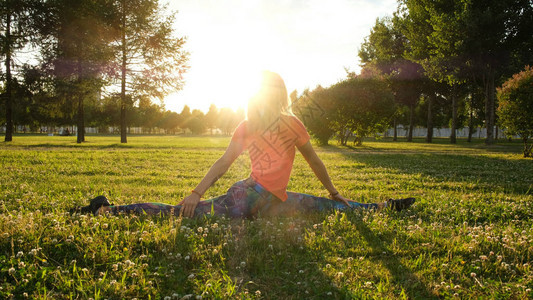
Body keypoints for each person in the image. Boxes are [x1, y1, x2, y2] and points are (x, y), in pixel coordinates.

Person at [87, 71, 414, 218]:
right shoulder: (250, 127)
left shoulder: (292, 124)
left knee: (327, 207)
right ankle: (104, 209)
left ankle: (384, 207)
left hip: (273, 199)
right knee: (181, 213)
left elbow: (314, 161)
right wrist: (196, 192)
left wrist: (332, 190)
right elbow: (225, 162)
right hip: (246, 198)